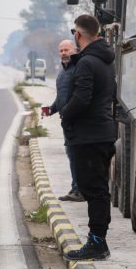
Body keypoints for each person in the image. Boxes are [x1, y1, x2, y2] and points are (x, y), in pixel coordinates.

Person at [61, 14, 117, 261]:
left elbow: (82, 98)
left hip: (88, 135)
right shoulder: (105, 60)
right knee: (99, 189)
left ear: (78, 34)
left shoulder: (86, 63)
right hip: (103, 132)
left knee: (93, 190)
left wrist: (66, 116)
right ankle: (98, 239)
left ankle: (97, 242)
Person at [43, 39, 82, 202]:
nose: (64, 53)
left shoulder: (78, 69)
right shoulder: (62, 72)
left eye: (67, 50)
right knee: (72, 155)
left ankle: (79, 190)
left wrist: (66, 111)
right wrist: (51, 109)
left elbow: (78, 96)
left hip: (77, 120)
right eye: (61, 51)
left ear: (75, 50)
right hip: (67, 121)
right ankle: (76, 188)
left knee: (77, 156)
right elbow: (62, 97)